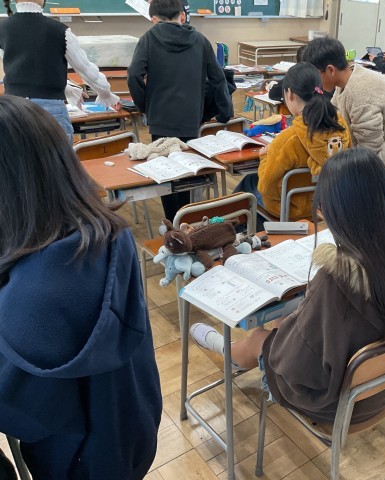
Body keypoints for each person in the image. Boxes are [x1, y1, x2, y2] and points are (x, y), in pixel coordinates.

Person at [190, 146, 385, 424]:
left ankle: (227, 350)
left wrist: (281, 338)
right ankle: (267, 336)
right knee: (288, 321)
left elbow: (296, 369)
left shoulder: (337, 281)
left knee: (260, 338)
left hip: (340, 404)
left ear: (331, 210)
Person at [0, 96, 162, 479]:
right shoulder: (110, 232)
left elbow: (23, 413)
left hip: (78, 460)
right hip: (133, 426)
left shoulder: (32, 299)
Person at [128, 0, 233, 221]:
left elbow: (134, 75)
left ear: (153, 19)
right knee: (188, 172)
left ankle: (172, 222)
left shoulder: (148, 39)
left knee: (165, 173)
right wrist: (224, 112)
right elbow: (218, 78)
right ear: (182, 16)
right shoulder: (200, 40)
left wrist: (145, 106)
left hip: (161, 118)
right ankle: (187, 221)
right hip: (191, 117)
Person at [234, 62, 351, 221]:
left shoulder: (289, 140)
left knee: (249, 184)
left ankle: (239, 228)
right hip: (327, 204)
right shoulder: (341, 126)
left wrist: (264, 157)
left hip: (291, 209)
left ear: (290, 94)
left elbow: (265, 187)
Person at [304, 37, 385, 185]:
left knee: (370, 194)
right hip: (378, 144)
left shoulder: (361, 91)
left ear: (331, 70)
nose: (315, 82)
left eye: (315, 75)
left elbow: (369, 149)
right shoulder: (346, 79)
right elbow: (334, 115)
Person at [0, 0, 119, 140]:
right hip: (50, 111)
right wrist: (106, 94)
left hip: (13, 111)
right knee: (57, 154)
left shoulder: (3, 28)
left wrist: (67, 88)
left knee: (17, 154)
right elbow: (86, 70)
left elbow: (20, 69)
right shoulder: (60, 31)